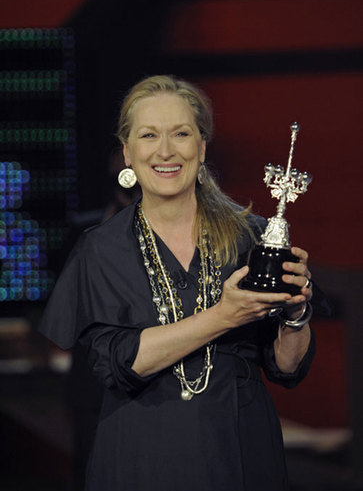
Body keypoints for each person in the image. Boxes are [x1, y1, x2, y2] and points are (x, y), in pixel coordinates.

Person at [39, 75, 317, 491]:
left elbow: (287, 367)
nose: (166, 151)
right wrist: (224, 316)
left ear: (201, 147)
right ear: (128, 152)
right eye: (149, 135)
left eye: (181, 134)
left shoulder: (253, 235)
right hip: (141, 453)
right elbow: (120, 363)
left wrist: (296, 312)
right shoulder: (100, 249)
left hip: (240, 450)